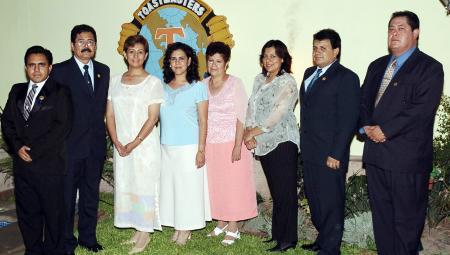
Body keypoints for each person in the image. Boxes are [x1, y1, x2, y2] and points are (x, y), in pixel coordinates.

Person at [359, 11, 444, 255]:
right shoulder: (376, 66)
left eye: (401, 28)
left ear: (415, 33)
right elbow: (363, 101)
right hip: (376, 156)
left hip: (407, 159)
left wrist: (385, 130)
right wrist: (366, 127)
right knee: (383, 220)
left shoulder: (429, 68)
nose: (394, 33)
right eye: (391, 29)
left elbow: (422, 110)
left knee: (407, 223)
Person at [1, 46, 72, 255]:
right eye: (32, 65)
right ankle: (33, 250)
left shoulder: (60, 92)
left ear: (49, 68)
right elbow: (7, 123)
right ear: (26, 68)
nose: (36, 70)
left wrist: (34, 150)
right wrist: (17, 147)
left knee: (53, 215)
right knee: (27, 214)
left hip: (49, 166)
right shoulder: (17, 90)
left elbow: (62, 126)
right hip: (23, 167)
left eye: (41, 65)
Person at [299, 29, 360, 255]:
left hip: (330, 154)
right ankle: (322, 239)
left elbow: (348, 119)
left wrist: (336, 152)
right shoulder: (308, 73)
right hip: (310, 151)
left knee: (331, 202)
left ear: (336, 51)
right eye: (315, 48)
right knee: (315, 199)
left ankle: (331, 248)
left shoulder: (347, 77)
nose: (317, 52)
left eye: (323, 48)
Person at [51, 24, 110, 254]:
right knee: (66, 199)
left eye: (91, 42)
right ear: (72, 45)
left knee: (90, 196)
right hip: (67, 149)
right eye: (81, 41)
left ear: (95, 45)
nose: (87, 45)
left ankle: (88, 237)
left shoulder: (103, 71)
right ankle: (66, 241)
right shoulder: (59, 71)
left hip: (94, 148)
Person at [105, 35, 164, 254]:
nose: (136, 56)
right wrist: (116, 141)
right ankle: (137, 228)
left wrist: (134, 143)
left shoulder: (153, 83)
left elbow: (153, 118)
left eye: (140, 52)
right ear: (125, 54)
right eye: (131, 51)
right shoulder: (115, 81)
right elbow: (109, 115)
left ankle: (145, 232)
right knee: (128, 183)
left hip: (144, 145)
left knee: (144, 184)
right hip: (121, 145)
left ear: (146, 55)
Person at [244, 40, 299, 252]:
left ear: (282, 59)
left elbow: (278, 113)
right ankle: (277, 235)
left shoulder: (288, 82)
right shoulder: (259, 79)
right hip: (263, 142)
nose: (268, 60)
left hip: (282, 141)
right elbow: (252, 107)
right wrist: (249, 132)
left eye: (273, 56)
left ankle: (288, 239)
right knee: (276, 192)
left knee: (285, 192)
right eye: (265, 56)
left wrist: (253, 132)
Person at [203, 42, 257, 246]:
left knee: (233, 185)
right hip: (210, 143)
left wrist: (237, 145)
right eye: (210, 61)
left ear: (226, 63)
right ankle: (221, 221)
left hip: (231, 141)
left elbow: (241, 116)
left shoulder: (235, 83)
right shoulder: (203, 85)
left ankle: (233, 226)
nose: (214, 65)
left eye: (218, 61)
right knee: (216, 184)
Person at [158, 42, 211, 246]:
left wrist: (201, 150)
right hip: (166, 147)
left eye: (182, 58)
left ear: (189, 61)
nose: (177, 62)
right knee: (171, 189)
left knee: (188, 189)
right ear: (168, 63)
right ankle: (176, 224)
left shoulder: (198, 87)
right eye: (173, 58)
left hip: (189, 147)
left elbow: (203, 120)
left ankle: (186, 228)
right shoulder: (161, 88)